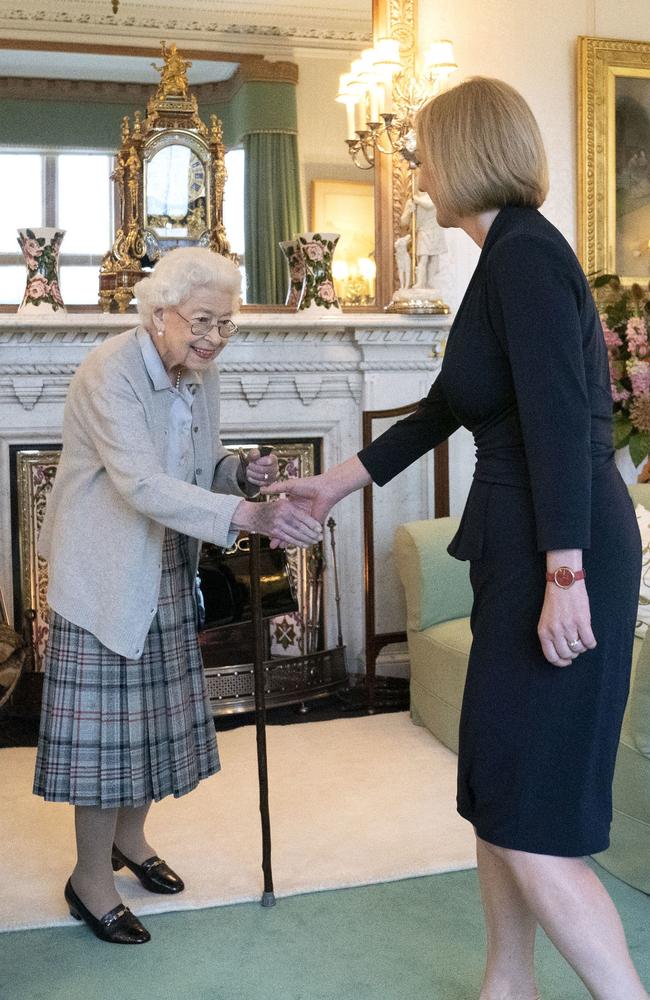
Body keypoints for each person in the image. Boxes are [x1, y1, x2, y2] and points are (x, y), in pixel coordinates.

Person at [265, 79, 648, 1000]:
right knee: (494, 789)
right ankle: (507, 983)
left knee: (527, 810)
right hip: (527, 543)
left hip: (557, 544)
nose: (416, 166)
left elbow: (561, 421)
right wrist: (335, 480)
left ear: (469, 154)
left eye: (426, 150)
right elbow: (448, 406)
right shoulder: (504, 257)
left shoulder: (522, 257)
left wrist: (566, 572)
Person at [33, 247, 322, 945]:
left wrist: (236, 473)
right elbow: (139, 483)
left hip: (163, 561)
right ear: (158, 313)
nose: (214, 337)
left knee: (150, 726)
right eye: (202, 321)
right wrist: (246, 517)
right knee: (105, 741)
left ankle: (131, 842)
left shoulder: (198, 373)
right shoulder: (110, 372)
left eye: (226, 323)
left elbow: (191, 467)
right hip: (104, 569)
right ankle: (89, 880)